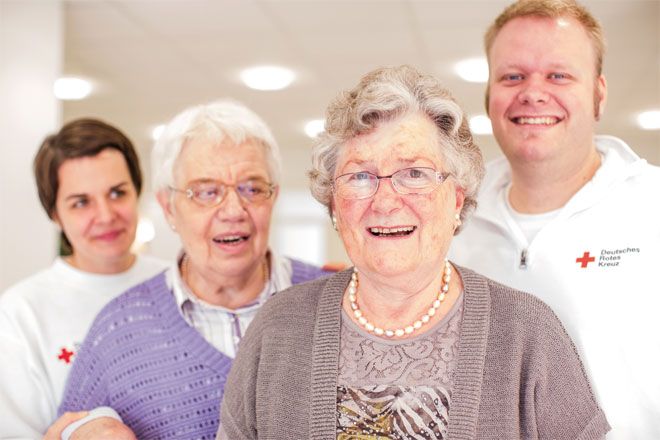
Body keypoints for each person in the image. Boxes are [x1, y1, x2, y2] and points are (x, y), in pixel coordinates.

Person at [219, 65, 610, 439]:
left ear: (457, 199)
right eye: (360, 176)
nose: (385, 201)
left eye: (414, 174)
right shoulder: (278, 327)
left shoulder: (528, 332)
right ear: (335, 205)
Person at [54, 100, 331, 439]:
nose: (233, 210)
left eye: (252, 188)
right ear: (168, 208)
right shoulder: (117, 329)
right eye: (205, 192)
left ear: (272, 197)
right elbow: (64, 431)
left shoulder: (338, 302)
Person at [449, 1, 660, 438]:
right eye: (512, 76)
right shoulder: (451, 218)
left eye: (559, 75)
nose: (533, 92)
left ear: (599, 94)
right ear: (489, 97)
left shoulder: (652, 204)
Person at [0, 119, 167, 439]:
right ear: (55, 214)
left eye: (117, 193)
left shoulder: (177, 283)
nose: (105, 215)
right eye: (81, 202)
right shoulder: (21, 312)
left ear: (137, 192)